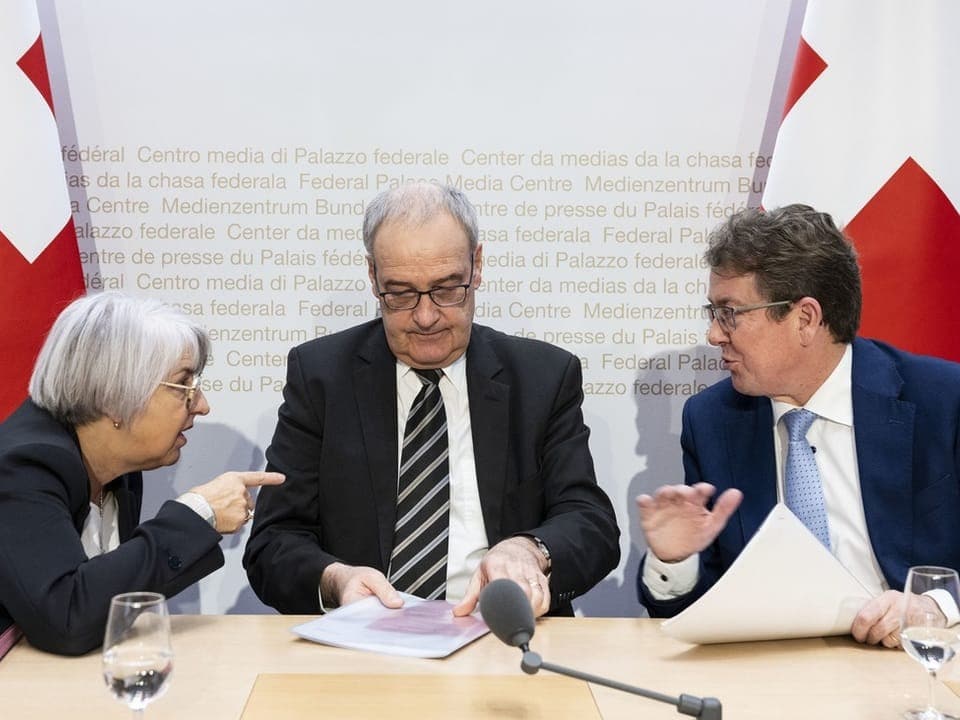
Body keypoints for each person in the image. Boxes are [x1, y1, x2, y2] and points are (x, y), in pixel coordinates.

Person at [244, 181, 619, 618]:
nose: (425, 317)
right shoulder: (322, 377)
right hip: (363, 642)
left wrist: (532, 550)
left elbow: (590, 524)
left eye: (446, 289)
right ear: (372, 277)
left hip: (498, 633)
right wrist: (335, 579)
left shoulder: (542, 377)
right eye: (400, 294)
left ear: (476, 266)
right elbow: (273, 543)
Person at [636, 204, 960, 647]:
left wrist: (935, 608)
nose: (713, 334)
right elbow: (693, 613)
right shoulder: (712, 420)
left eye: (730, 313)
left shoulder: (941, 401)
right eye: (712, 313)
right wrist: (675, 560)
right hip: (775, 677)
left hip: (911, 663)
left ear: (805, 319)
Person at [0, 293, 284, 656]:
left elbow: (106, 605)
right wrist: (198, 515)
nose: (201, 405)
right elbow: (67, 619)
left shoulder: (120, 465)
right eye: (185, 386)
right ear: (114, 396)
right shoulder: (21, 467)